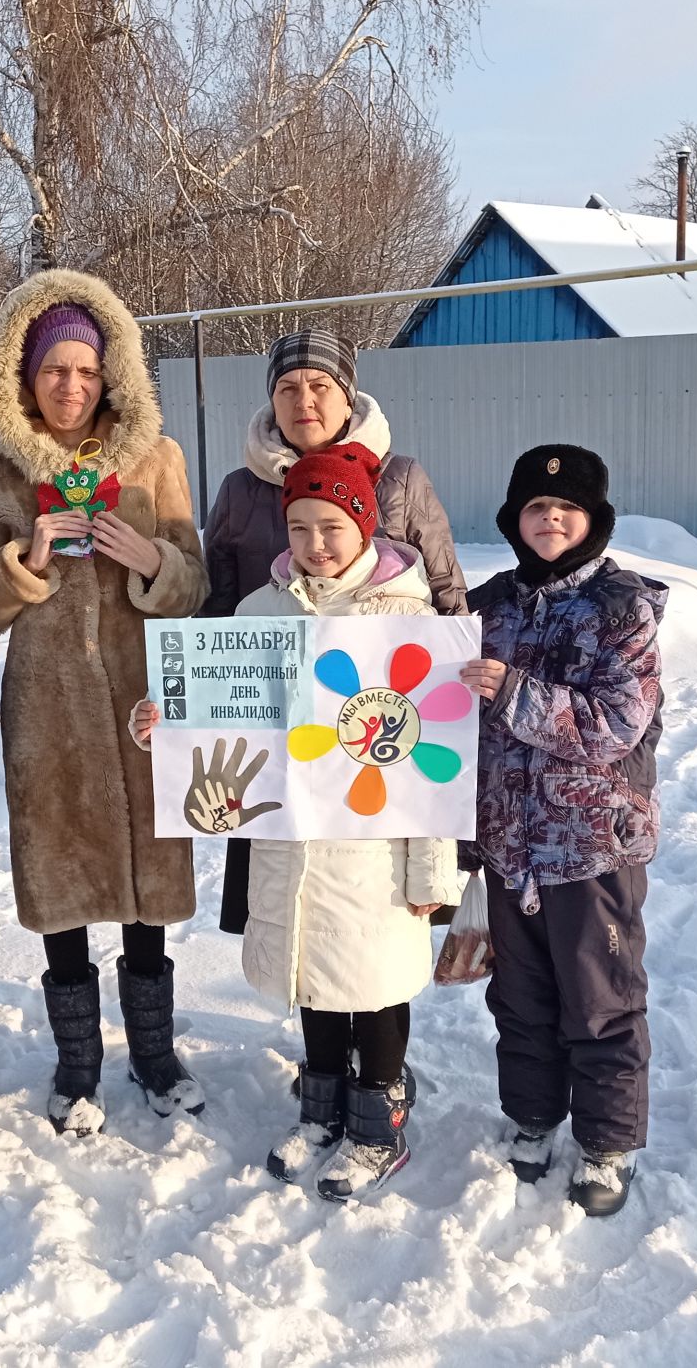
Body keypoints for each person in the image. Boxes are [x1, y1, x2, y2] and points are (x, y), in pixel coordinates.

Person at [136, 444, 462, 1201]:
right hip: (289, 843)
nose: (316, 544)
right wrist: (170, 724)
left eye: (333, 527)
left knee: (373, 986)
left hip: (375, 852)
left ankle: (377, 1123)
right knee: (313, 978)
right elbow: (228, 727)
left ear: (366, 526)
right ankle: (321, 1112)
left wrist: (431, 873)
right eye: (301, 527)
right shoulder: (259, 614)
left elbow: (433, 763)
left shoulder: (408, 621)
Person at [0, 271, 208, 1136]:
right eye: (53, 370)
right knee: (62, 884)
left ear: (112, 376)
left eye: (86, 372)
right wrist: (23, 562)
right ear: (23, 377)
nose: (71, 387)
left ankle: (156, 1055)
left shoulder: (156, 461)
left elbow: (194, 586)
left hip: (143, 705)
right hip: (48, 712)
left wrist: (151, 560)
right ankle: (78, 1065)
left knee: (144, 888)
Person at [202, 328, 467, 938]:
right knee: (289, 907)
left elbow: (446, 592)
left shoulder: (398, 478)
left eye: (320, 385)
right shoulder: (242, 489)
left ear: (349, 396)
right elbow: (216, 609)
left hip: (377, 727)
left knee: (373, 914)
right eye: (288, 389)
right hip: (278, 728)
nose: (304, 402)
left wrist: (456, 694)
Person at [458, 445, 666, 1216]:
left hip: (591, 846)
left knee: (600, 997)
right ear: (514, 520)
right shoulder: (488, 607)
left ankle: (608, 1142)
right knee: (520, 996)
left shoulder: (622, 610)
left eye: (567, 509)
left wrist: (514, 691)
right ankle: (534, 1118)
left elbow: (617, 725)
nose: (550, 519)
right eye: (536, 508)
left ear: (593, 522)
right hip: (509, 840)